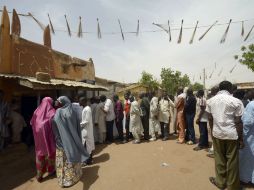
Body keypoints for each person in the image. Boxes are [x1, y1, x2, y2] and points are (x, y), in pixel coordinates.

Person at [207, 81, 244, 190]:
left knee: (219, 159)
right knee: (232, 161)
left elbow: (210, 119)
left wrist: (213, 132)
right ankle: (233, 186)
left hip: (217, 133)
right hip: (231, 134)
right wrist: (241, 139)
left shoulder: (210, 101)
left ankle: (221, 183)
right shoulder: (236, 101)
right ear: (229, 89)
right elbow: (238, 122)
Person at [52, 96, 89, 188]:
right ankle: (74, 177)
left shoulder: (58, 112)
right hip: (73, 141)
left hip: (61, 142)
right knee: (72, 158)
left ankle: (63, 180)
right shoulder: (73, 111)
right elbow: (77, 126)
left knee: (63, 161)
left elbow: (54, 126)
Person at [30, 97, 56, 182]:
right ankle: (51, 170)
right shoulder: (52, 111)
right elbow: (55, 124)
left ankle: (39, 174)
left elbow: (31, 122)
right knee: (51, 153)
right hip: (49, 137)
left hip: (38, 138)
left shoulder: (36, 110)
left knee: (40, 154)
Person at [239, 89, 254, 185]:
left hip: (250, 136)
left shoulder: (251, 105)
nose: (247, 93)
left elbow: (247, 122)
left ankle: (246, 179)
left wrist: (242, 136)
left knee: (248, 157)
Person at [80, 97, 95, 165]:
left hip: (86, 130)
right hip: (85, 129)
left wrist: (79, 125)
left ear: (84, 101)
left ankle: (88, 160)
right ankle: (89, 159)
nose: (79, 102)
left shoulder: (87, 109)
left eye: (80, 101)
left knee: (87, 145)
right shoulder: (85, 108)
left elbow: (86, 121)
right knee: (87, 145)